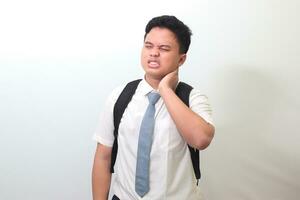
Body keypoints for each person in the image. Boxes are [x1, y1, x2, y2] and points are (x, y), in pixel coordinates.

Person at [92, 15, 215, 200]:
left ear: (181, 59)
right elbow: (103, 157)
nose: (154, 53)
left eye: (164, 48)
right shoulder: (120, 96)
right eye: (148, 46)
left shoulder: (192, 98)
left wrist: (165, 90)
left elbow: (201, 139)